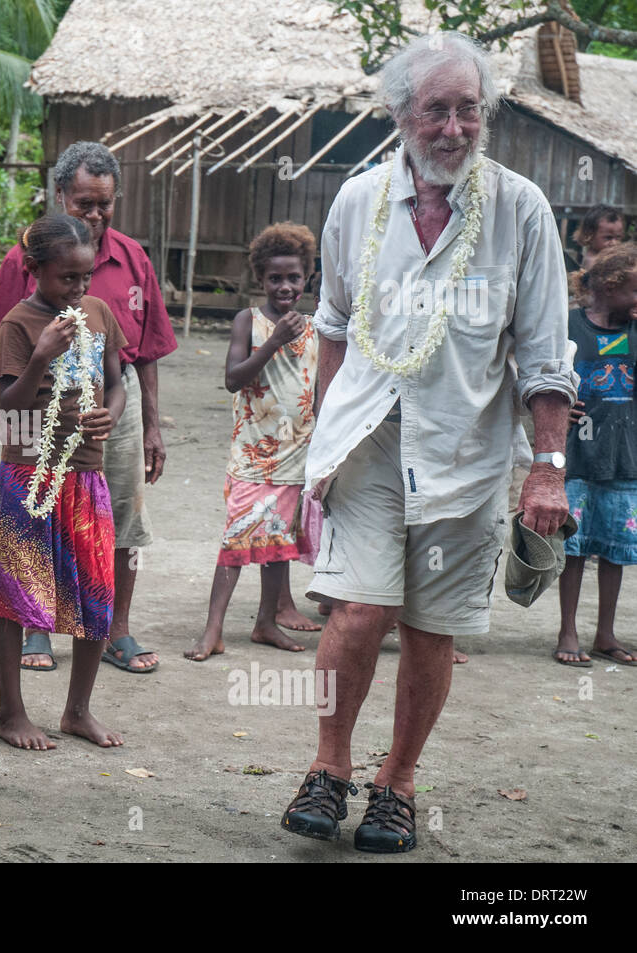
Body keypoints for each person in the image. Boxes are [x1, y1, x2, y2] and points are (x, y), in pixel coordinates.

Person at [278, 33, 577, 854]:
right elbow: (333, 328)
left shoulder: (520, 209)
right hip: (370, 442)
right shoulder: (356, 201)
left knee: (430, 628)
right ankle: (329, 767)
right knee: (358, 608)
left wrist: (546, 473)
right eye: (436, 109)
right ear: (401, 115)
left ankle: (397, 782)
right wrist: (318, 445)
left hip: (468, 455)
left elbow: (548, 358)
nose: (453, 127)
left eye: (468, 110)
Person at [0, 141, 174, 674]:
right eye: (83, 202)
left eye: (104, 203)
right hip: (40, 416)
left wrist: (150, 425)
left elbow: (146, 351)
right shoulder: (26, 258)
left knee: (120, 520)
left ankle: (115, 629)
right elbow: (3, 355)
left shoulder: (132, 258)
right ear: (60, 195)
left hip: (112, 406)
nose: (94, 213)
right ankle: (37, 628)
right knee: (40, 517)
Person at [0, 213, 127, 749]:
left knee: (97, 589)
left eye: (84, 276)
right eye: (65, 278)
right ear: (34, 269)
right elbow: (9, 408)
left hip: (86, 473)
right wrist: (42, 354)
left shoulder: (98, 313)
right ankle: (10, 712)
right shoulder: (18, 325)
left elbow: (117, 383)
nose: (77, 288)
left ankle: (77, 711)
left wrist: (110, 413)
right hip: (29, 475)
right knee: (17, 591)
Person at [185, 223, 320, 663]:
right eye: (275, 278)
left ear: (307, 278)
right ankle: (213, 630)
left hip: (298, 454)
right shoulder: (250, 320)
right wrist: (275, 342)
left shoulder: (317, 327)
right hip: (253, 455)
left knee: (277, 542)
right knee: (237, 540)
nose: (285, 286)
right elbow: (232, 378)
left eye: (293, 277)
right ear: (260, 278)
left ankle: (266, 621)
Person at [555, 242, 637, 667]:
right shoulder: (569, 326)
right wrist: (557, 406)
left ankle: (606, 633)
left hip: (625, 458)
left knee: (616, 548)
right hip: (578, 457)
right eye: (635, 293)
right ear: (608, 287)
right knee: (574, 546)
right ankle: (567, 630)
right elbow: (539, 370)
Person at [573, 204, 625, 272]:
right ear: (589, 236)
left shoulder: (609, 257)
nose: (614, 243)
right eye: (608, 238)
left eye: (618, 237)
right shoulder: (593, 262)